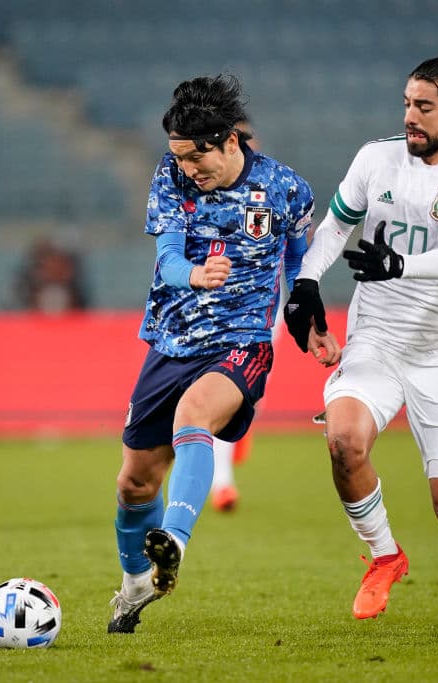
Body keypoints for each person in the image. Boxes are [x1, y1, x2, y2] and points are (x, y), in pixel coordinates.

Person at [283, 51, 438, 640]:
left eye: (424, 107)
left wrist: (397, 263)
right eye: (407, 103)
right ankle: (385, 556)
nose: (410, 116)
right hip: (375, 337)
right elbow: (334, 228)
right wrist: (306, 282)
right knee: (343, 443)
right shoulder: (376, 159)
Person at [107, 75, 329, 634]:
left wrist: (309, 321)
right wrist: (196, 275)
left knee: (194, 416)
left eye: (195, 158)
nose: (187, 169)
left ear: (231, 141)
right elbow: (167, 257)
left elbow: (300, 264)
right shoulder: (169, 175)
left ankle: (174, 544)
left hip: (242, 342)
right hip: (171, 338)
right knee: (135, 481)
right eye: (178, 157)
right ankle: (136, 579)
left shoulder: (286, 190)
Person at [209, 115, 261, 513]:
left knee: (238, 396)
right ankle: (222, 483)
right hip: (214, 314)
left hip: (263, 312)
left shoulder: (271, 189)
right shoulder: (200, 193)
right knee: (218, 397)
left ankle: (241, 421)